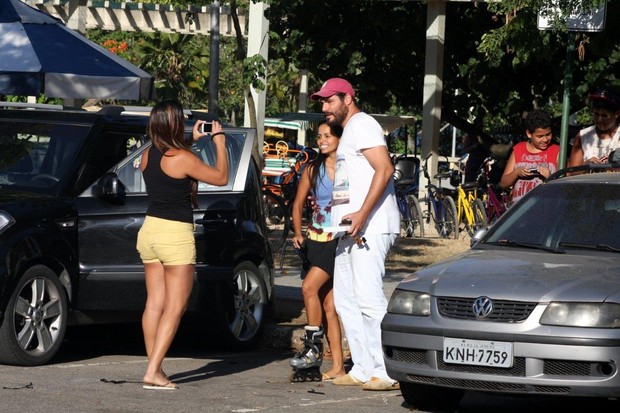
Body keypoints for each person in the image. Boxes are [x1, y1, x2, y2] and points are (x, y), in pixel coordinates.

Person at [311, 78, 400, 391]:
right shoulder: (350, 131)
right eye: (321, 103)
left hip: (370, 227)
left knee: (368, 299)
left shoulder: (362, 124)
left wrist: (362, 214)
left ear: (347, 98)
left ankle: (386, 371)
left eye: (329, 101)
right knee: (346, 300)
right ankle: (362, 367)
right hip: (348, 230)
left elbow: (385, 169)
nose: (324, 108)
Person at [136, 100, 229, 390]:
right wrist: (220, 142)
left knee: (154, 304)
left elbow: (171, 162)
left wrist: (191, 141)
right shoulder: (183, 158)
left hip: (149, 231)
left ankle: (156, 368)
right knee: (176, 306)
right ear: (175, 123)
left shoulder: (148, 155)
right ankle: (153, 371)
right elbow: (221, 177)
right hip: (174, 234)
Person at [289, 122, 346, 382]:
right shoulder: (312, 169)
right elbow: (298, 203)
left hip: (339, 239)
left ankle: (312, 348)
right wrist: (299, 233)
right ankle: (337, 367)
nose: (322, 140)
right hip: (315, 239)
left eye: (327, 136)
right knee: (329, 305)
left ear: (339, 138)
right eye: (319, 136)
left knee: (309, 288)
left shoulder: (350, 168)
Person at [500, 108, 559, 205]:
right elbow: (503, 183)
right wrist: (516, 172)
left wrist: (550, 177)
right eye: (540, 136)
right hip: (520, 210)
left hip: (546, 207)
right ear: (529, 134)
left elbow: (564, 184)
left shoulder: (556, 151)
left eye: (548, 134)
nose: (545, 139)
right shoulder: (518, 149)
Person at [569, 87, 620, 167]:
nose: (599, 119)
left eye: (604, 115)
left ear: (616, 114)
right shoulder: (583, 135)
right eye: (596, 114)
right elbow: (570, 173)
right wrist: (585, 165)